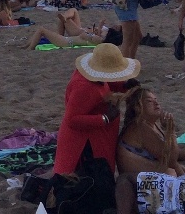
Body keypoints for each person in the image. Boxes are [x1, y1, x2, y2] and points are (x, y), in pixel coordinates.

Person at [53, 43, 140, 177]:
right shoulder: (84, 87)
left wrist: (123, 85)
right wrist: (105, 118)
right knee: (86, 180)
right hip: (84, 143)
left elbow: (106, 82)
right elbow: (72, 119)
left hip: (95, 136)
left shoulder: (92, 76)